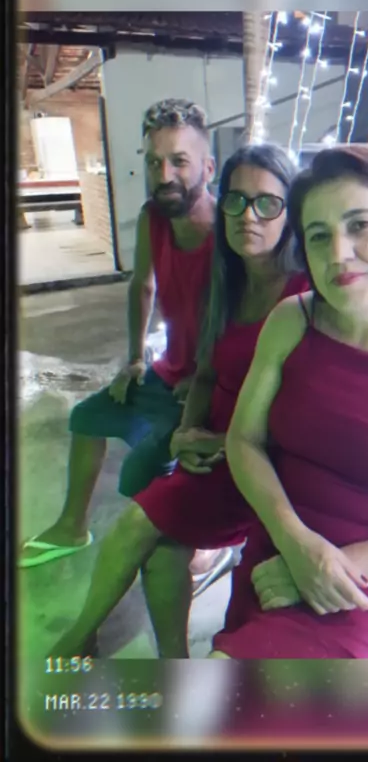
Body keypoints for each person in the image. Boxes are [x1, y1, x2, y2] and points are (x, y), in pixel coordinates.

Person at [47, 142, 309, 658]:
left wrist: (223, 443)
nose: (247, 216)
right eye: (235, 201)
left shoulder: (303, 295)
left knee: (139, 520)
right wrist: (188, 430)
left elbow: (302, 418)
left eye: (267, 203)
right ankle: (171, 667)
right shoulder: (227, 281)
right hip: (211, 451)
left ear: (290, 213)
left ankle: (75, 642)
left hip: (265, 463)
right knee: (162, 551)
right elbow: (205, 373)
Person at [210, 144, 368, 659]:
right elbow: (244, 440)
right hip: (278, 546)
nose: (339, 253)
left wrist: (331, 567)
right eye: (319, 235)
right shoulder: (291, 321)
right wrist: (296, 544)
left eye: (360, 225)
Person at [19, 98, 228, 584]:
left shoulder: (228, 236)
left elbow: (244, 324)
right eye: (154, 162)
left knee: (147, 465)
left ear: (208, 167)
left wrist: (207, 378)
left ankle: (213, 541)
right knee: (87, 416)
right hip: (171, 370)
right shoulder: (154, 217)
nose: (164, 175)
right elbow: (142, 285)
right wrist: (135, 357)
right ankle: (72, 527)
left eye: (179, 161)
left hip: (214, 383)